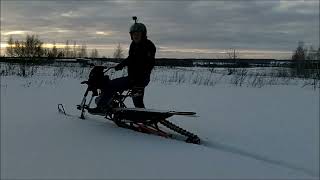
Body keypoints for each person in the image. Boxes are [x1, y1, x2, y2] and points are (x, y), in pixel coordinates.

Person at [88, 17, 156, 115]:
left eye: (138, 34)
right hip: (133, 78)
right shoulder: (134, 45)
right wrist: (120, 65)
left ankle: (102, 107)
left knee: (111, 85)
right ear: (131, 36)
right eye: (133, 34)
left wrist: (139, 77)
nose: (136, 36)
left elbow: (149, 63)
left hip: (139, 79)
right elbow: (131, 58)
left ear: (143, 34)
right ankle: (143, 117)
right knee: (137, 102)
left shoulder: (148, 46)